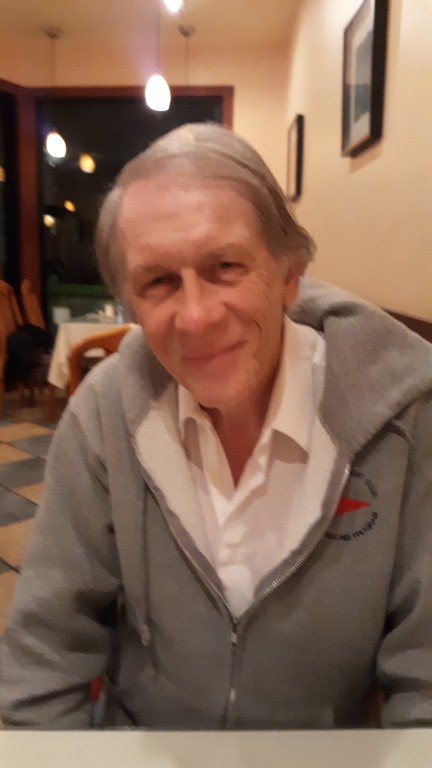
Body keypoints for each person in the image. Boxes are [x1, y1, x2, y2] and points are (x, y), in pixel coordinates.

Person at [1, 123, 431, 730]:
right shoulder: (103, 414)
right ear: (130, 304)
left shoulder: (406, 416)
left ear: (288, 273)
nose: (197, 317)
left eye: (225, 266)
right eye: (158, 282)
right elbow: (44, 656)